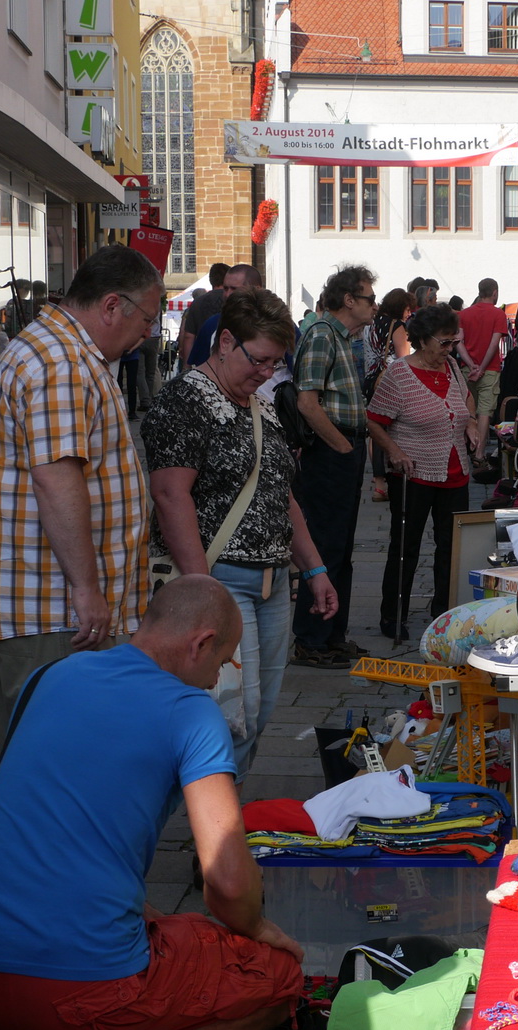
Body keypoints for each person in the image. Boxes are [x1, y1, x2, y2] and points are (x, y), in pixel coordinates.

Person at [0, 576, 304, 1030]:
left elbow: (46, 831)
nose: (219, 677)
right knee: (276, 976)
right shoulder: (191, 712)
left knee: (119, 913)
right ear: (201, 643)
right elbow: (226, 882)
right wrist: (262, 930)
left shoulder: (49, 676)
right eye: (224, 661)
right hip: (79, 989)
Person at [143, 288, 337, 781]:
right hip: (221, 580)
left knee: (258, 711)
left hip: (272, 583)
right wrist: (202, 590)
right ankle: (209, 815)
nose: (266, 372)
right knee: (231, 715)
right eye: (259, 359)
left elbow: (280, 495)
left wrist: (314, 568)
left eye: (275, 363)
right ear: (226, 341)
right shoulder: (185, 400)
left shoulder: (258, 404)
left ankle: (223, 809)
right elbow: (170, 495)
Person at [0, 244, 161, 736]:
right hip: (56, 613)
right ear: (112, 305)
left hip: (57, 609)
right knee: (57, 754)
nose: (149, 332)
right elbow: (56, 479)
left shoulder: (63, 353)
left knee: (52, 752)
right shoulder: (61, 362)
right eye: (147, 318)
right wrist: (87, 589)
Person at [368, 303, 479, 642]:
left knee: (451, 548)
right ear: (423, 339)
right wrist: (395, 452)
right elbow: (374, 421)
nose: (450, 349)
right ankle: (393, 616)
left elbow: (466, 398)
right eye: (444, 342)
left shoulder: (452, 368)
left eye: (454, 342)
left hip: (455, 472)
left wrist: (471, 422)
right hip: (413, 473)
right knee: (406, 547)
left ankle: (443, 614)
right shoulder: (399, 374)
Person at [291, 264, 378, 669]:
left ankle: (332, 635)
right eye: (369, 298)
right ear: (348, 299)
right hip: (331, 452)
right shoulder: (323, 335)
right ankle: (311, 639)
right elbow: (306, 402)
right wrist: (342, 447)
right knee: (325, 544)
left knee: (340, 546)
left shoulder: (341, 337)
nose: (374, 306)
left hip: (345, 449)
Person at [366, 288, 413, 504]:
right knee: (390, 430)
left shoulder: (371, 323)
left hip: (371, 380)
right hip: (391, 382)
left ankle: (378, 483)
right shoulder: (397, 326)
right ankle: (391, 476)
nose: (409, 314)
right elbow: (403, 358)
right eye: (407, 309)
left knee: (375, 430)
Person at [458, 277, 508, 461]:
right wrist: (482, 367)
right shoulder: (498, 314)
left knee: (469, 410)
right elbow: (494, 344)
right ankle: (479, 453)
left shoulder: (463, 314)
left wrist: (471, 364)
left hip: (467, 369)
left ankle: (467, 448)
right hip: (490, 370)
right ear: (495, 293)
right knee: (485, 412)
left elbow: (458, 342)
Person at [187, 264, 259, 369]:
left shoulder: (275, 325)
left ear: (256, 289)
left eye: (234, 289)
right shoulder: (212, 325)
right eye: (225, 289)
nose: (227, 294)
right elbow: (201, 368)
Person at [176, 263, 230, 366]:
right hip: (228, 359)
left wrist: (186, 366)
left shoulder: (197, 302)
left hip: (202, 360)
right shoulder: (233, 300)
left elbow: (189, 336)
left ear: (211, 280)